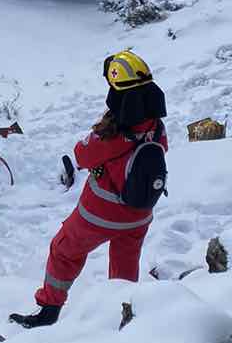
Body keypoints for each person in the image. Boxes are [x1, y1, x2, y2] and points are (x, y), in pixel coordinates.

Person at [10, 52, 168, 329]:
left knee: (63, 250)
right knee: (124, 267)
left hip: (100, 214)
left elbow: (81, 156)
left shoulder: (111, 133)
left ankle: (49, 310)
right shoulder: (156, 127)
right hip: (139, 215)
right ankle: (124, 314)